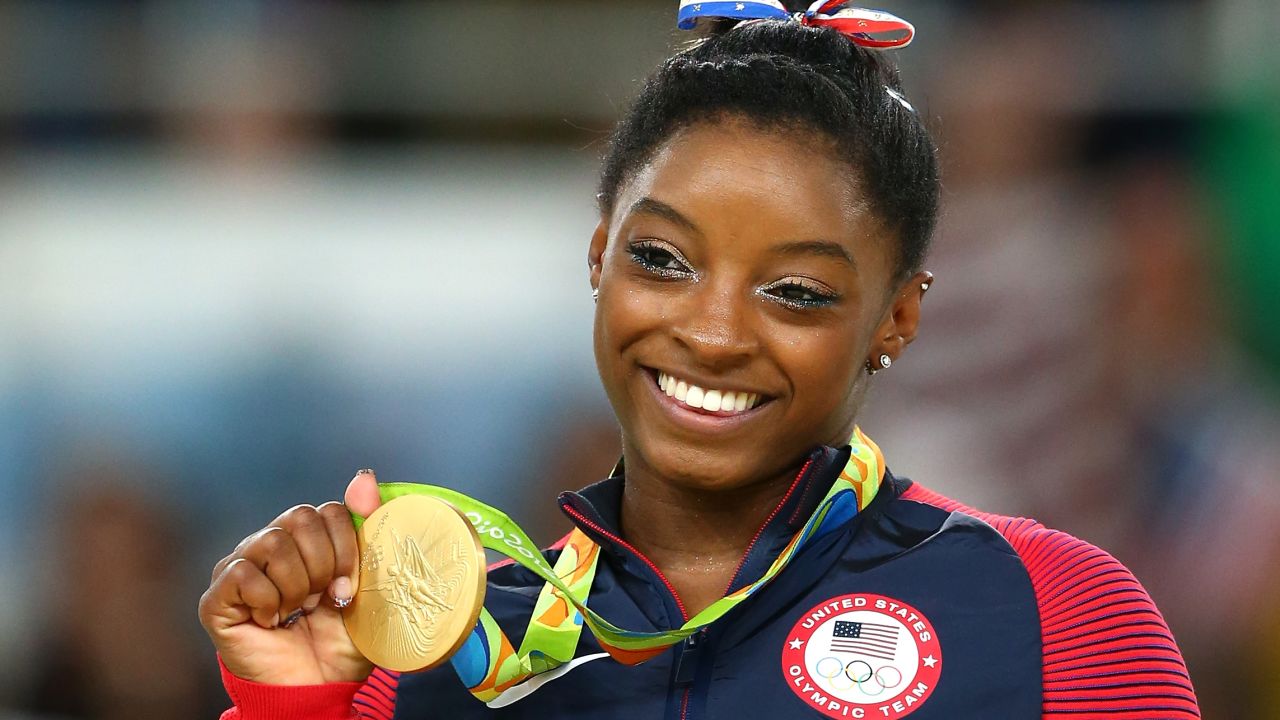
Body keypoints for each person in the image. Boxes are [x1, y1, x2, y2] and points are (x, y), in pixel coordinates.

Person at [199, 3, 1201, 718]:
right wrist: (295, 706)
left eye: (795, 291)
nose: (713, 333)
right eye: (662, 260)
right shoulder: (431, 651)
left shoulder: (1053, 616)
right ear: (598, 255)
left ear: (897, 318)